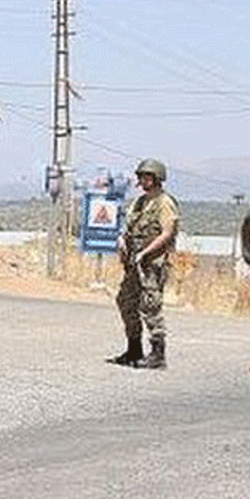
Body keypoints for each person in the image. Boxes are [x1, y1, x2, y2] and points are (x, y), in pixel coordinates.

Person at [108, 158, 179, 370]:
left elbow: (167, 233)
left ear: (156, 178)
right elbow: (129, 227)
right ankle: (134, 349)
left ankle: (158, 354)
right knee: (126, 301)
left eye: (146, 177)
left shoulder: (164, 203)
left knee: (150, 306)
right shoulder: (139, 203)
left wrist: (146, 252)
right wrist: (122, 239)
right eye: (141, 177)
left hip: (152, 264)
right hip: (134, 262)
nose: (142, 180)